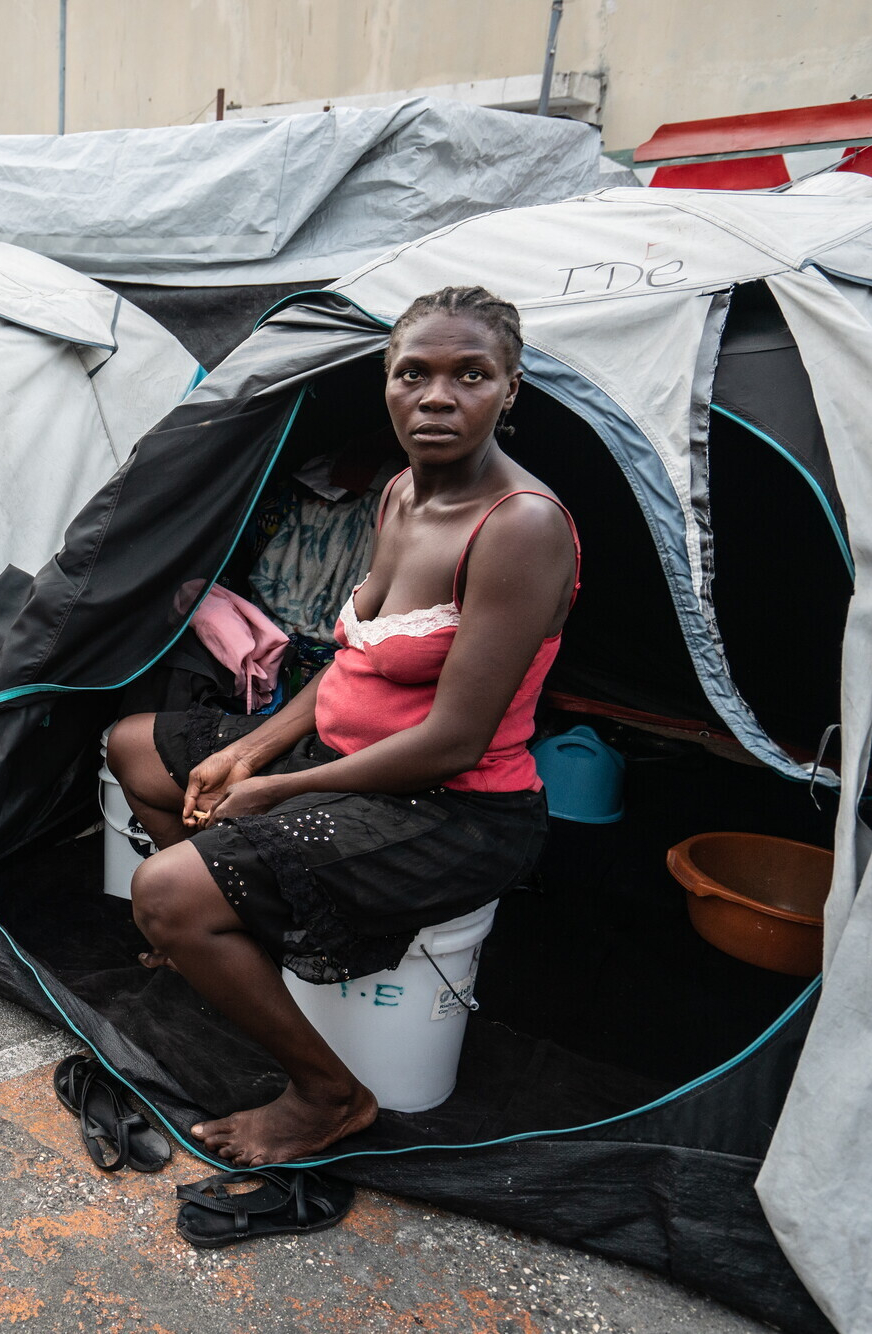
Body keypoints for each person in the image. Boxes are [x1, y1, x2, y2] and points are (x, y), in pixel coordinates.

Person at [107, 285, 579, 1167]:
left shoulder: (520, 529)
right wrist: (249, 748)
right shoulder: (401, 494)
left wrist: (277, 786)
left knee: (164, 892)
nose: (438, 397)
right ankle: (227, 947)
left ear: (510, 390)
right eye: (415, 374)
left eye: (470, 375)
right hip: (345, 758)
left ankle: (328, 1096)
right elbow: (355, 660)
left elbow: (454, 741)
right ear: (386, 386)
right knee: (135, 745)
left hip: (452, 809)